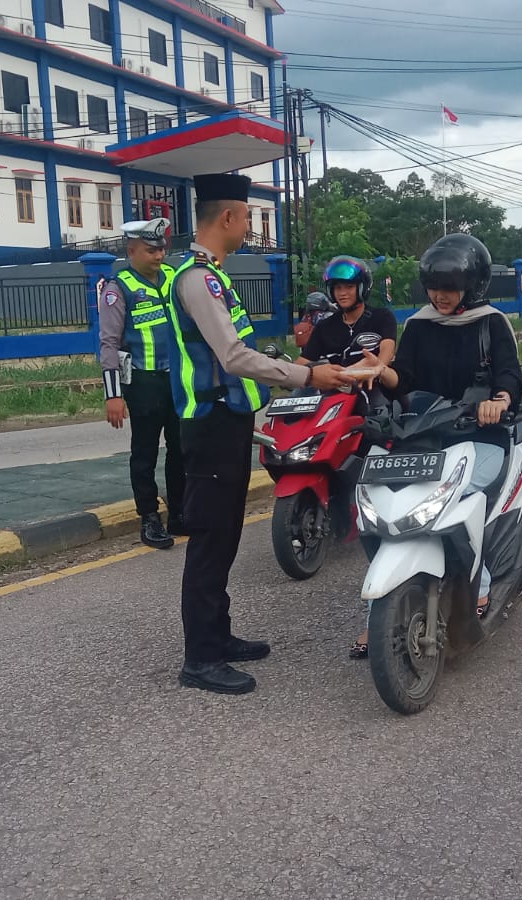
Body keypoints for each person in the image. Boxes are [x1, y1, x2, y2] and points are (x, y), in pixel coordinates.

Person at [166, 172, 354, 695]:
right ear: (227, 216)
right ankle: (200, 658)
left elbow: (239, 350)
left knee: (225, 534)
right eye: (247, 216)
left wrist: (297, 366)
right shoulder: (197, 280)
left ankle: (218, 636)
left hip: (227, 421)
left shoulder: (212, 275)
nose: (249, 225)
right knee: (210, 540)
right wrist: (304, 376)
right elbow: (232, 356)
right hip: (209, 425)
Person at [351, 233, 522, 657]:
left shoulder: (491, 322)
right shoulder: (419, 324)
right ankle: (384, 605)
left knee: (461, 497)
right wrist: (384, 373)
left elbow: (509, 375)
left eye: (449, 288)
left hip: (480, 435)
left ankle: (480, 582)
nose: (439, 296)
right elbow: (406, 379)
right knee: (378, 499)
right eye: (433, 287)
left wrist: (499, 400)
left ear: (472, 286)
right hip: (425, 434)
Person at [98, 217, 184, 550]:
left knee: (181, 448)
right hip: (144, 382)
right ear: (132, 251)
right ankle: (149, 517)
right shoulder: (118, 289)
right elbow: (109, 343)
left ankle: (179, 512)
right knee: (145, 452)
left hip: (177, 378)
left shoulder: (174, 278)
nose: (159, 255)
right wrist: (113, 395)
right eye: (150, 250)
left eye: (161, 249)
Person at [299, 255, 397, 371]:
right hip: (336, 380)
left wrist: (376, 370)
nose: (342, 293)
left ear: (362, 288)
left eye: (349, 287)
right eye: (338, 288)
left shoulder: (381, 317)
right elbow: (303, 362)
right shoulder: (325, 327)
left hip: (374, 379)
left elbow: (388, 349)